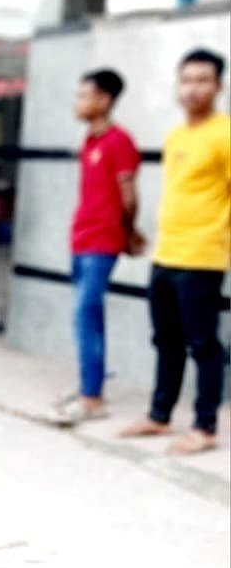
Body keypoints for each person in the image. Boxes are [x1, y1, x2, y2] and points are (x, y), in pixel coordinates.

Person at [120, 48, 230, 454]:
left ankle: (204, 427)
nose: (193, 88)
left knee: (203, 345)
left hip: (202, 256)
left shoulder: (225, 134)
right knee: (166, 340)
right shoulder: (177, 135)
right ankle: (159, 415)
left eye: (203, 79)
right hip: (165, 254)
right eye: (186, 80)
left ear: (218, 86)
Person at [50, 69, 143, 427]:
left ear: (104, 99)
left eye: (83, 95)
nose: (77, 102)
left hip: (103, 241)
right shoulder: (91, 140)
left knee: (85, 315)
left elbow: (129, 195)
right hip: (82, 238)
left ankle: (92, 399)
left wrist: (129, 232)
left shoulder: (120, 141)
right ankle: (92, 387)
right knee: (90, 317)